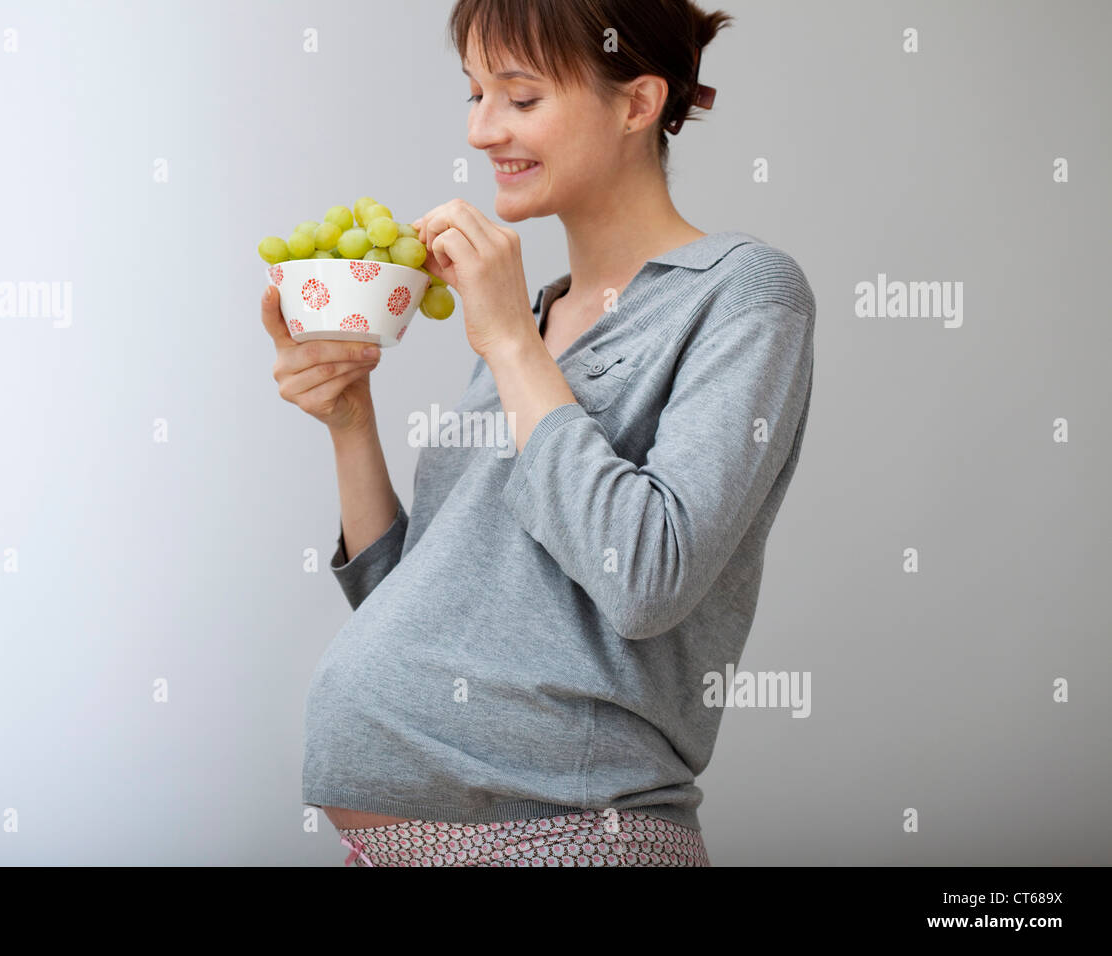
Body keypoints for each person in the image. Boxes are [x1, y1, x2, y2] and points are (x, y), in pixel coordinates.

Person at [263, 0, 814, 866]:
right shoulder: (531, 317)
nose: (483, 131)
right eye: (475, 94)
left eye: (519, 98)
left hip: (565, 839)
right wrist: (350, 422)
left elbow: (645, 576)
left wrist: (511, 344)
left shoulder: (740, 294)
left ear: (636, 105)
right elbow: (414, 608)